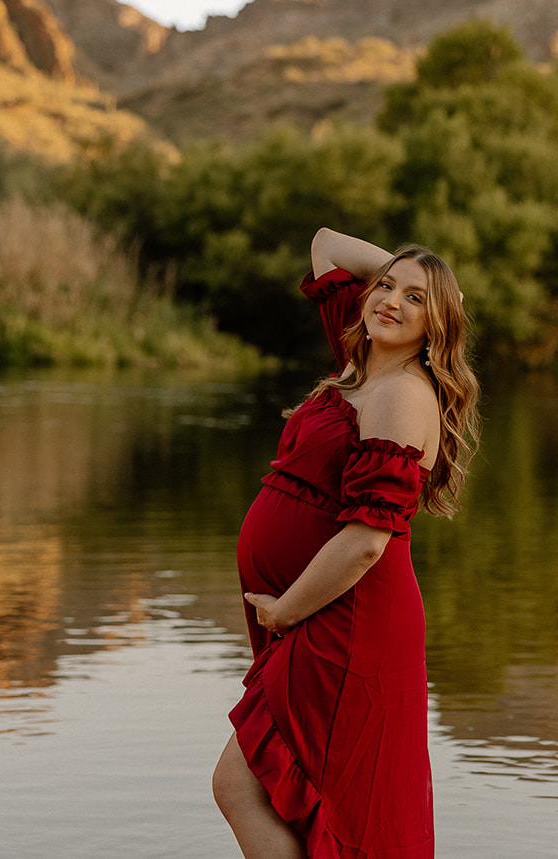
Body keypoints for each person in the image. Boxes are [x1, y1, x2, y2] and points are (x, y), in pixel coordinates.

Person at [213, 227, 482, 859]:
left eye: (415, 301)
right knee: (285, 792)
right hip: (320, 612)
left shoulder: (398, 395)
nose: (389, 300)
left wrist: (285, 612)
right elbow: (326, 244)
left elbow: (366, 540)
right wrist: (422, 280)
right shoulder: (362, 366)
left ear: (435, 326)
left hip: (345, 618)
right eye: (385, 287)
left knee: (247, 786)